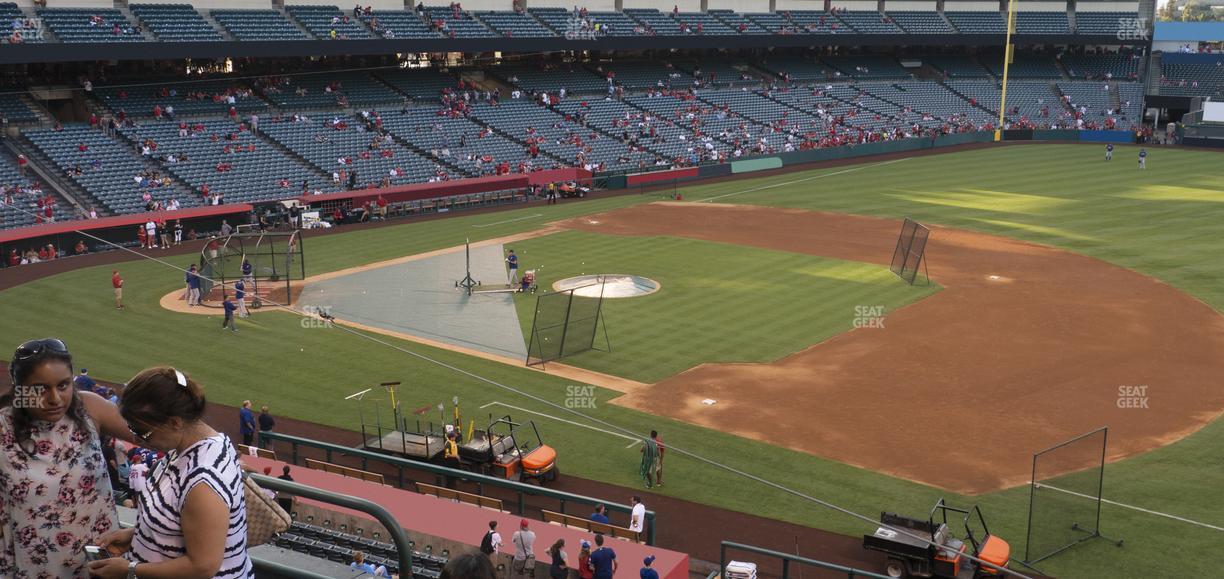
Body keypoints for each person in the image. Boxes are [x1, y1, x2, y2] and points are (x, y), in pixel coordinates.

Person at [87, 366, 254, 579]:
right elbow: (180, 524)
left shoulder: (203, 481)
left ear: (175, 422)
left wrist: (129, 570)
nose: (137, 439)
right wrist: (137, 536)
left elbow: (202, 567)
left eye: (142, 431)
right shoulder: (192, 446)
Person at [1, 338, 136, 578]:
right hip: (36, 568)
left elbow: (158, 434)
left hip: (100, 564)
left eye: (63, 385)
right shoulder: (3, 429)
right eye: (41, 389)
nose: (55, 398)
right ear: (19, 388)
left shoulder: (89, 408)